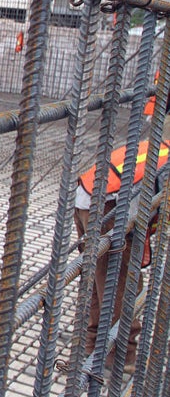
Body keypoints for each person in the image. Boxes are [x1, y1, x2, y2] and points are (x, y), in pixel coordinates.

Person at [74, 138, 167, 374]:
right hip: (109, 205)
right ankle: (122, 357)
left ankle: (93, 345)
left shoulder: (163, 145)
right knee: (123, 285)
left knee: (100, 280)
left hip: (89, 197)